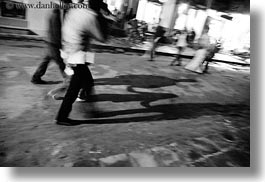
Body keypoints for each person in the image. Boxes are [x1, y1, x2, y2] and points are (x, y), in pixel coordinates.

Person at [55, 0, 106, 126]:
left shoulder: (74, 10)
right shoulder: (90, 16)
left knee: (87, 82)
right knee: (75, 87)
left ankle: (91, 111)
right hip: (78, 56)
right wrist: (101, 17)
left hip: (68, 52)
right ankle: (62, 116)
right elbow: (102, 38)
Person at [31, 0, 66, 84]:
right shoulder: (55, 14)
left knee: (45, 60)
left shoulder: (51, 12)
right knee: (60, 62)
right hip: (53, 42)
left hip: (49, 40)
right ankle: (69, 79)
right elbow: (56, 31)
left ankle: (36, 77)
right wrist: (60, 44)